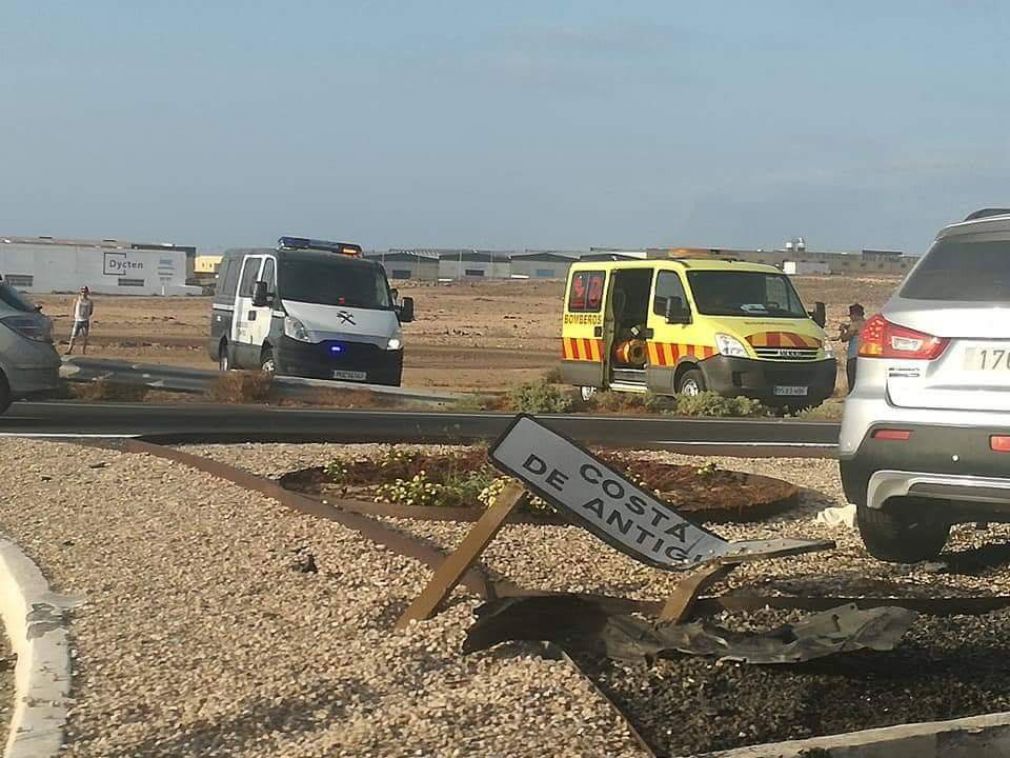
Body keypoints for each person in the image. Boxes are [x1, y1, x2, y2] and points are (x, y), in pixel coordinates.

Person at [839, 303, 866, 394]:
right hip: (865, 357)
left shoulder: (854, 325)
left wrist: (842, 330)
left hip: (853, 357)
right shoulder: (867, 324)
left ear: (854, 315)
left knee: (852, 382)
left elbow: (844, 338)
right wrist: (847, 327)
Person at [66, 286, 94, 355]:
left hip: (85, 320)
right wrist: (76, 316)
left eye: (85, 291)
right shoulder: (76, 300)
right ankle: (69, 350)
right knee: (73, 336)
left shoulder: (90, 301)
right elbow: (73, 308)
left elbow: (91, 311)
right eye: (82, 291)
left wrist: (86, 316)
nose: (84, 293)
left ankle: (83, 351)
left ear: (87, 292)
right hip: (78, 320)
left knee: (85, 337)